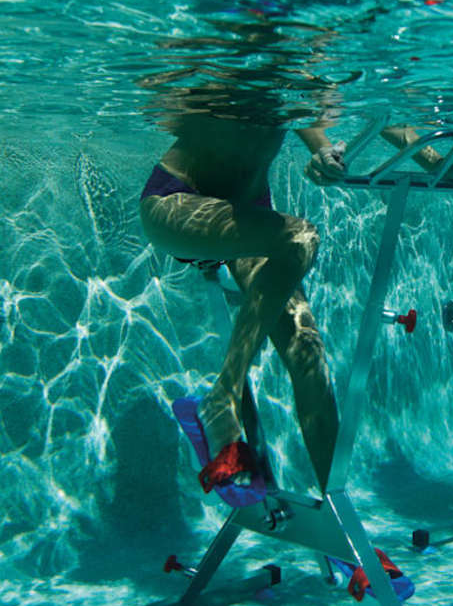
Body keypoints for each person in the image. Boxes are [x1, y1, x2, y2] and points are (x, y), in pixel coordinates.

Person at [139, 90, 350, 495]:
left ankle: (337, 508)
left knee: (308, 352)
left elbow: (310, 117)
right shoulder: (229, 65)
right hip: (179, 199)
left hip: (248, 212)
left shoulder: (300, 74)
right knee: (301, 237)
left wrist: (324, 153)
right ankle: (223, 396)